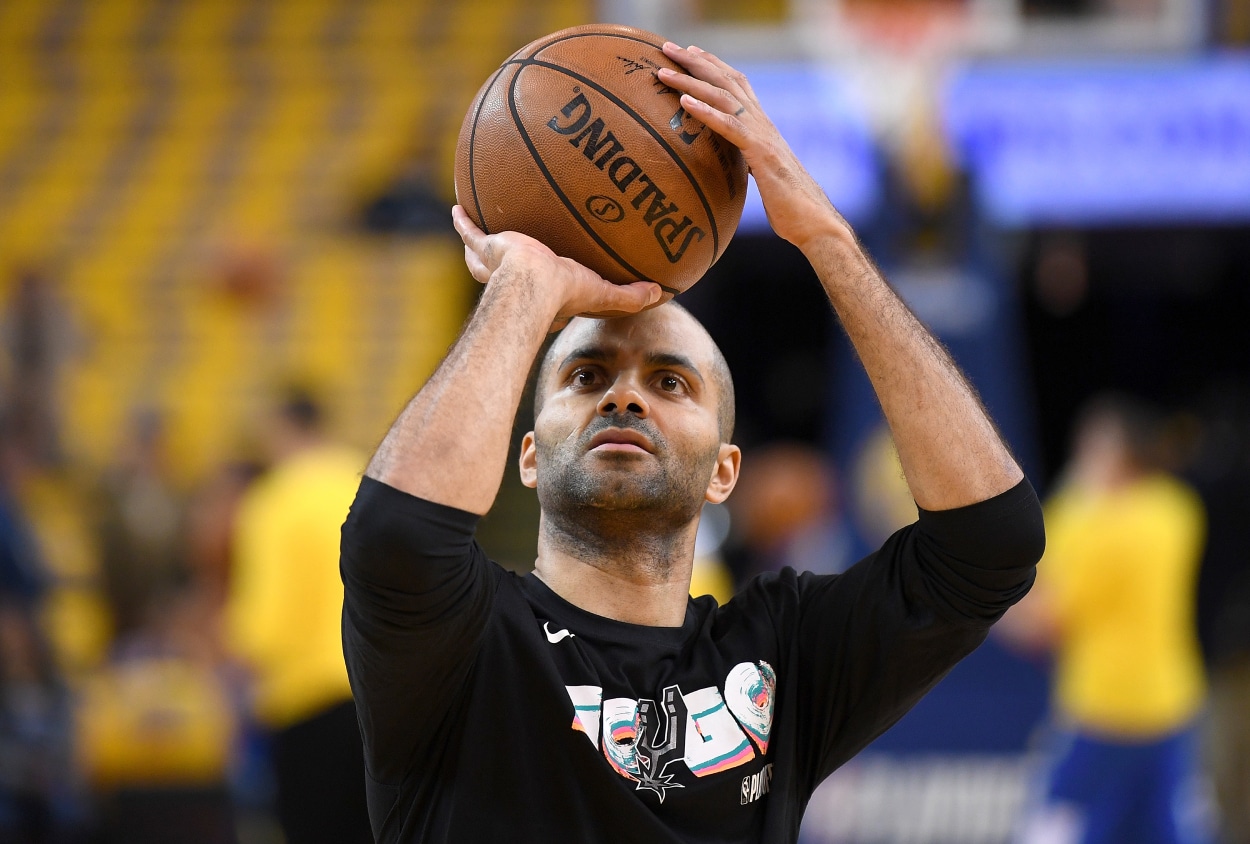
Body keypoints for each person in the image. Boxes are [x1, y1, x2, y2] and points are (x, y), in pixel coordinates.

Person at [340, 42, 1044, 843]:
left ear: (723, 472)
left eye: (672, 381)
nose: (626, 393)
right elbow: (394, 533)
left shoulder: (781, 657)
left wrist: (829, 241)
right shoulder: (461, 637)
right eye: (585, 375)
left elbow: (993, 543)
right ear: (529, 455)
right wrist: (527, 288)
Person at [1001, 394, 1211, 844]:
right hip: (1172, 705)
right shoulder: (1178, 510)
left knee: (1049, 829)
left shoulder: (1094, 524)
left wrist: (981, 609)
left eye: (1091, 446)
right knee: (1167, 831)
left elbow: (1044, 623)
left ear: (1115, 452)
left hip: (1104, 711)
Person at [224, 389, 372, 844]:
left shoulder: (275, 497)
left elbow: (264, 624)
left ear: (279, 427)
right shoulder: (368, 480)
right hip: (383, 691)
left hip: (308, 698)